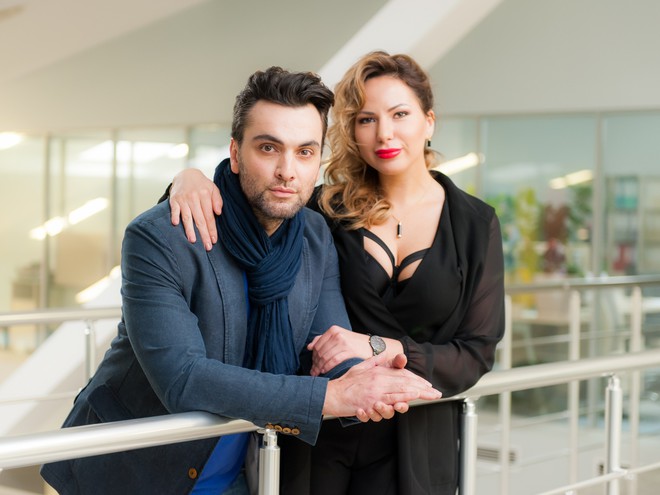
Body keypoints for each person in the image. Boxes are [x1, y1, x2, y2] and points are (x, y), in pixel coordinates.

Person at [40, 66, 442, 495]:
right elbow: (183, 378)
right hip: (133, 471)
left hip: (238, 474)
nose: (287, 171)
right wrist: (333, 397)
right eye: (269, 148)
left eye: (305, 152)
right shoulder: (160, 237)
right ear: (235, 153)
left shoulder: (313, 234)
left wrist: (369, 379)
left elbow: (324, 342)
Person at [167, 52, 505, 495]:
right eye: (366, 119)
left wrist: (378, 346)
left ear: (429, 121)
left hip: (416, 441)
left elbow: (476, 352)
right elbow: (243, 203)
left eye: (399, 114)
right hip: (317, 435)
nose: (384, 133)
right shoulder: (320, 209)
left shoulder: (475, 224)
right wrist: (188, 179)